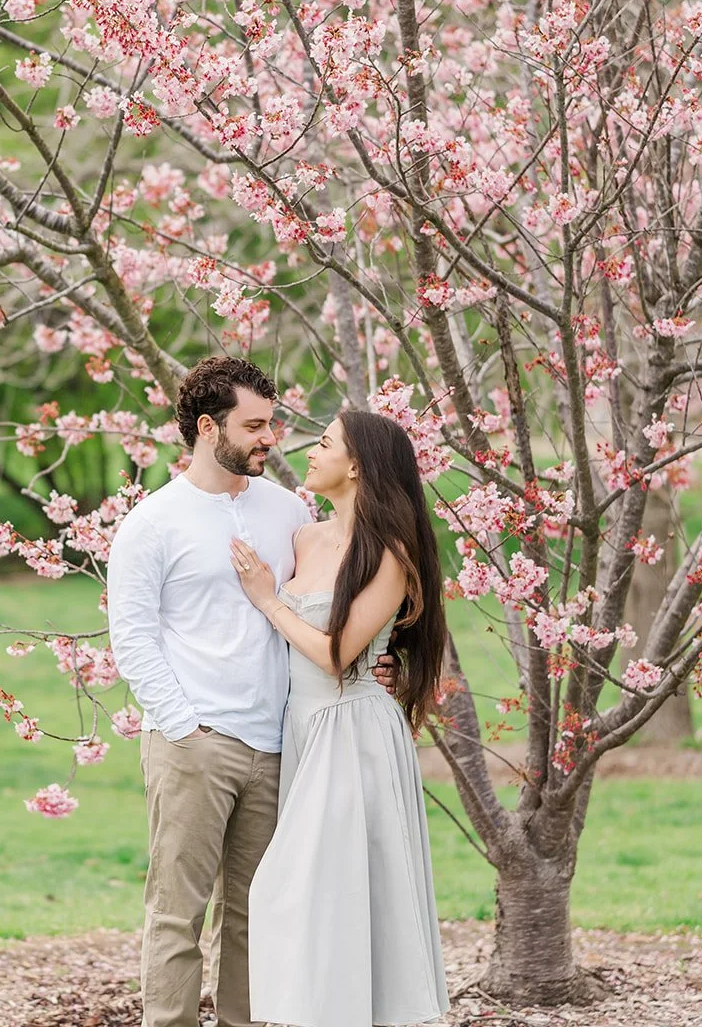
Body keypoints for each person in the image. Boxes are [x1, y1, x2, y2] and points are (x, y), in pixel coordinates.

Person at [107, 356, 398, 1027]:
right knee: (178, 914)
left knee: (256, 914)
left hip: (281, 746)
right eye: (256, 425)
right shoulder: (152, 525)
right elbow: (134, 639)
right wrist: (184, 728)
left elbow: (332, 608)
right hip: (196, 745)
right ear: (209, 428)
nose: (272, 439)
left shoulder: (288, 509)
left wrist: (383, 664)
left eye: (274, 423)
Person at [229, 410, 450, 1027]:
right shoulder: (304, 539)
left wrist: (270, 599)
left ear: (355, 466)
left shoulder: (390, 551)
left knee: (331, 889)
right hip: (301, 727)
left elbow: (335, 654)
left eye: (323, 443)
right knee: (309, 895)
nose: (308, 450)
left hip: (352, 730)